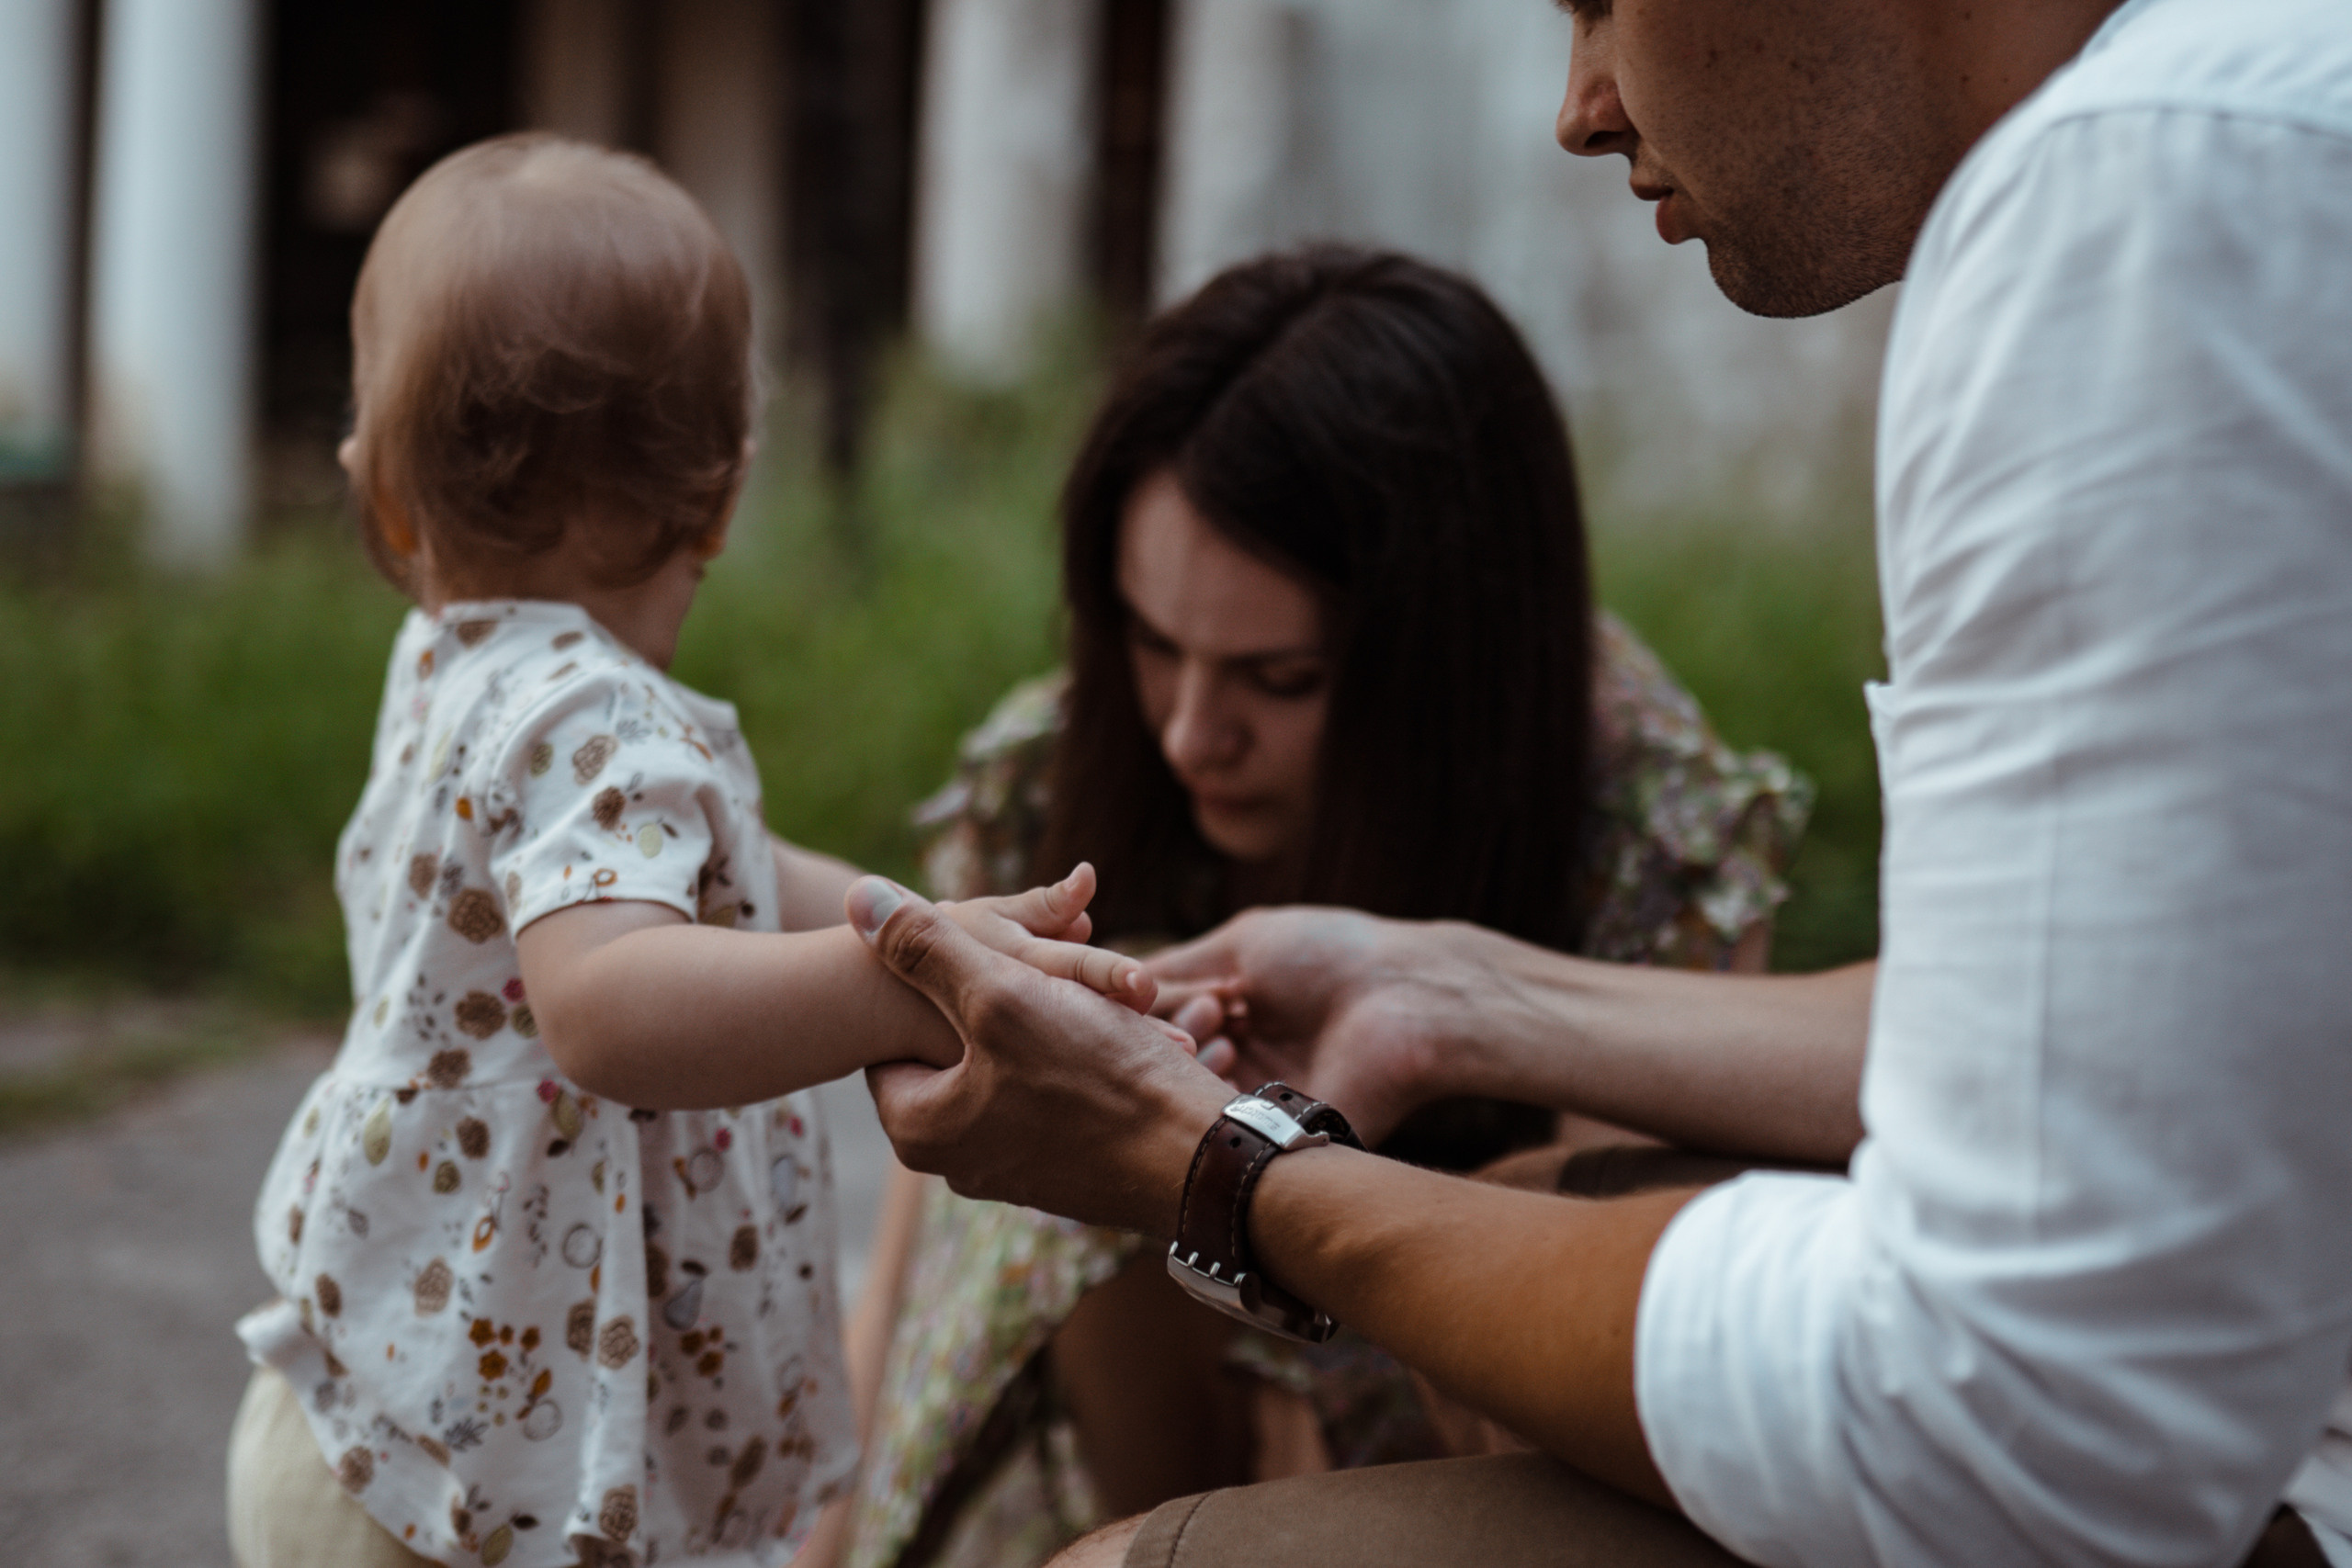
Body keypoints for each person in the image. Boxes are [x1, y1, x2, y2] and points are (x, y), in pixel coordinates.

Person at [841, 0, 2352, 1563]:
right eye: (1153, 653)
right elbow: (2110, 1032)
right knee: (1549, 1199)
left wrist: (1217, 1166)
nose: (1578, 107)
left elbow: (2014, 1415)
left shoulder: (2143, 191)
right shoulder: (2245, 127)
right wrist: (1444, 992)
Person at [225, 134, 1148, 1568]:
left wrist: (940, 932)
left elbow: (728, 870)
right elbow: (605, 1006)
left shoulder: (461, 663)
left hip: (376, 1403)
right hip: (480, 1485)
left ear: (389, 498)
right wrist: (904, 996)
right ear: (720, 503)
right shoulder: (596, 714)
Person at [838, 246, 1812, 1568]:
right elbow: (902, 1288)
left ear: (1443, 670)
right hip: (1080, 1477)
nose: (1191, 732)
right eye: (1149, 639)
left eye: (1278, 677)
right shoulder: (1069, 765)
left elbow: (1621, 1337)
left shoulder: (1635, 826)